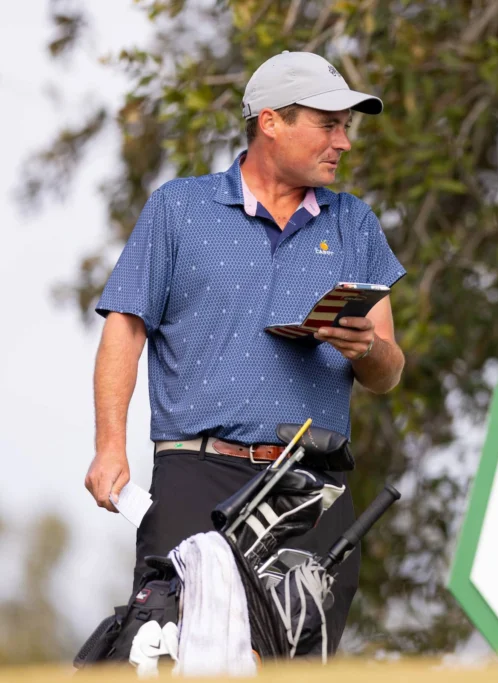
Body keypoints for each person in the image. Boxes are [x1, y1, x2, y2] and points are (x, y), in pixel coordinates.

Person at [83, 50, 406, 652]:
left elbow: (388, 370)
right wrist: (109, 445)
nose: (344, 142)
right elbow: (124, 330)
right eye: (329, 124)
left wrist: (365, 349)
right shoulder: (178, 209)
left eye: (347, 127)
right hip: (196, 476)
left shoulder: (356, 223)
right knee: (173, 654)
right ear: (272, 121)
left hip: (312, 488)